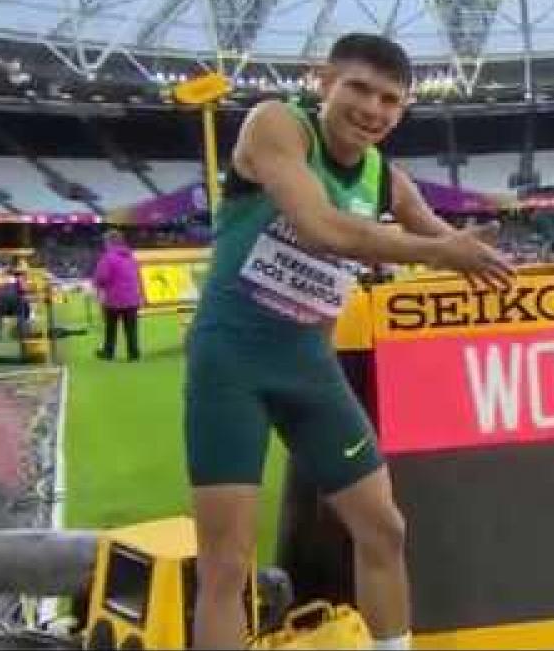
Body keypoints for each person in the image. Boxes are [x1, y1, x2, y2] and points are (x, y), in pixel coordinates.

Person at [183, 32, 513, 650]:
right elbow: (322, 227)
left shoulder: (387, 178)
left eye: (391, 100)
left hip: (310, 369)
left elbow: (450, 246)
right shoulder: (278, 127)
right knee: (226, 564)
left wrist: (483, 259)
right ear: (322, 80)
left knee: (383, 528)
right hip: (232, 365)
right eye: (359, 88)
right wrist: (443, 250)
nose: (373, 109)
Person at [92, 229, 143, 361]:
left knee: (111, 327)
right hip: (132, 298)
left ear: (109, 242)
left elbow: (102, 277)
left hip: (115, 298)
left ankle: (108, 352)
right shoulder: (131, 256)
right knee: (131, 328)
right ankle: (133, 353)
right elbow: (138, 275)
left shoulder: (108, 257)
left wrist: (97, 285)